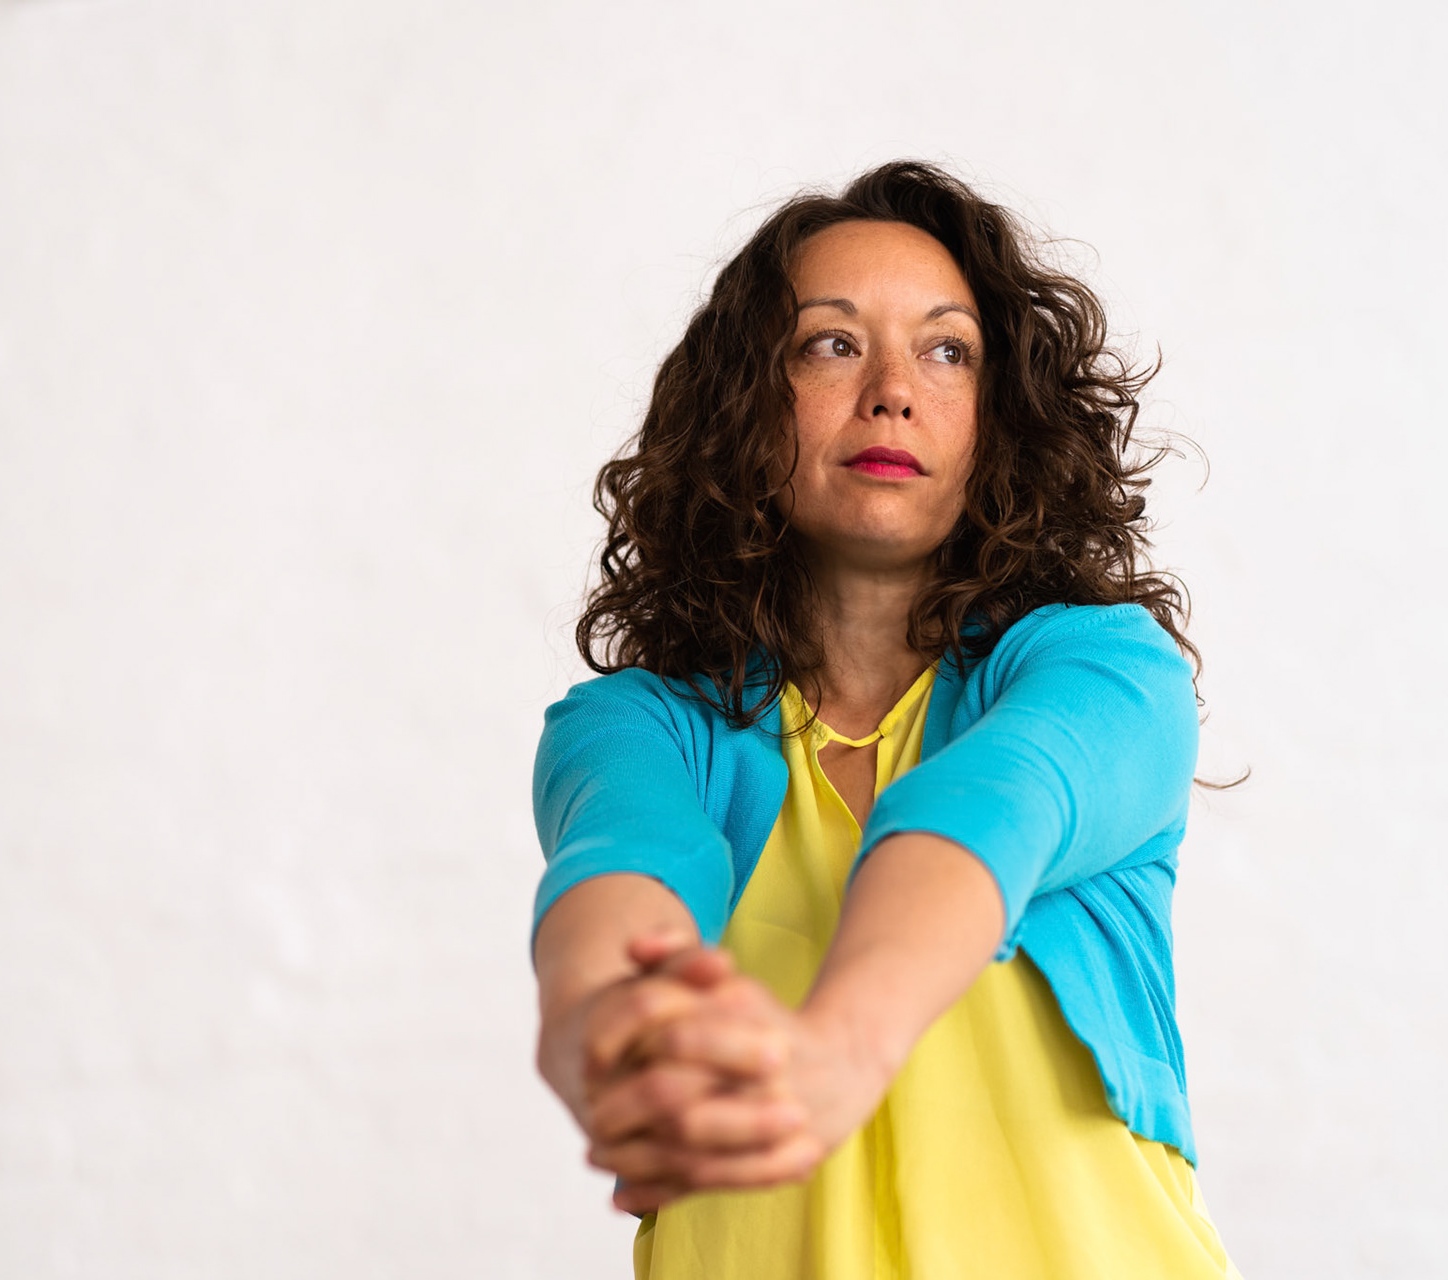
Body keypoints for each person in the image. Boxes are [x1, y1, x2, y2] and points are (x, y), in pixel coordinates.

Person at [529, 160, 1240, 1277]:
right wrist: (609, 1025)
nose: (892, 390)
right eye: (830, 343)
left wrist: (837, 1050)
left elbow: (992, 809)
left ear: (999, 419)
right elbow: (623, 871)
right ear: (744, 402)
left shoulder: (1106, 674)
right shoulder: (640, 727)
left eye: (948, 350)